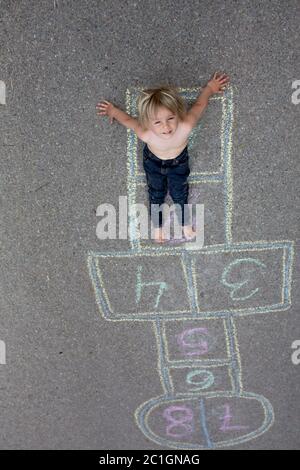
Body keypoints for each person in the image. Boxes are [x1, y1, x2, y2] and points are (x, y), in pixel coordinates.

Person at [96, 71, 230, 243]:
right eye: (157, 122)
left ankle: (185, 223)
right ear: (147, 122)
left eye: (170, 118)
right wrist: (113, 111)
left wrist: (210, 88)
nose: (166, 127)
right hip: (153, 163)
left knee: (179, 193)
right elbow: (129, 121)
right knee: (156, 193)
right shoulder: (146, 133)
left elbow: (199, 106)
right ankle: (158, 227)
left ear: (178, 114)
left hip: (178, 163)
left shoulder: (185, 125)